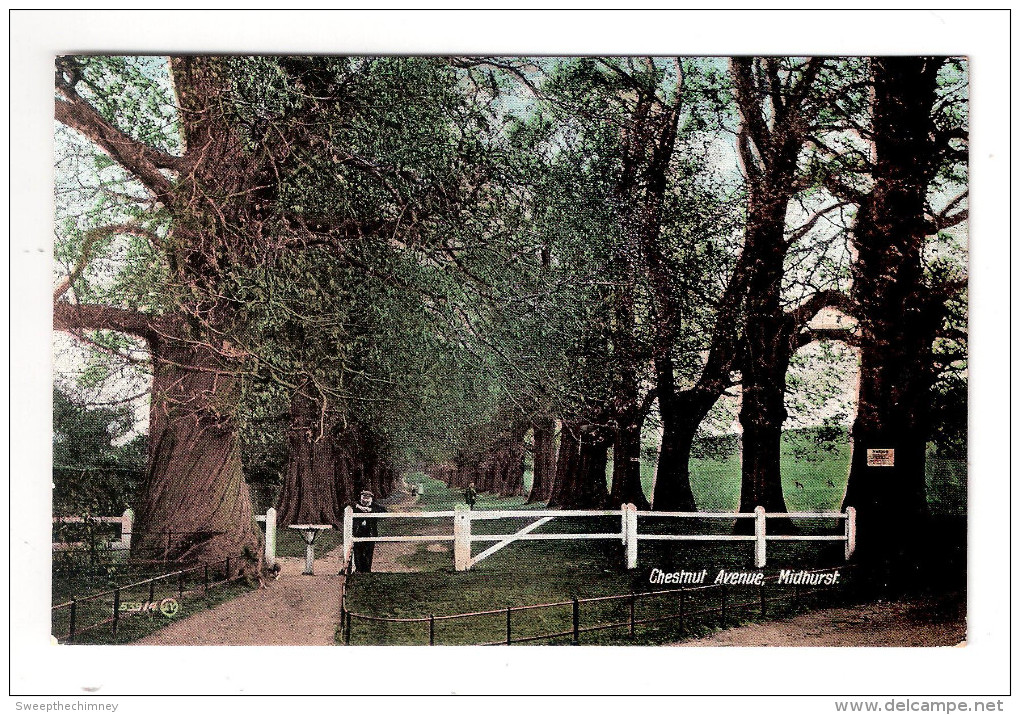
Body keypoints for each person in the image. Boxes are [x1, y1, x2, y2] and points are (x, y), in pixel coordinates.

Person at [351, 489, 387, 573]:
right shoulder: (357, 505)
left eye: (367, 498)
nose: (365, 500)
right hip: (358, 532)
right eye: (363, 497)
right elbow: (346, 503)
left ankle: (367, 570)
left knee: (369, 552)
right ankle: (358, 569)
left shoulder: (374, 506)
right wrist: (358, 506)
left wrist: (371, 511)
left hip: (370, 532)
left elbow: (384, 511)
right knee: (357, 551)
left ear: (371, 499)